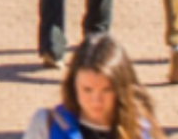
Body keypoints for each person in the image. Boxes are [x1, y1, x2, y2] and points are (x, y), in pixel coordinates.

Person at [22, 34, 164, 139]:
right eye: (87, 90)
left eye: (106, 90)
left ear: (121, 89)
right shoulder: (48, 124)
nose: (96, 100)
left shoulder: (142, 130)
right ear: (73, 85)